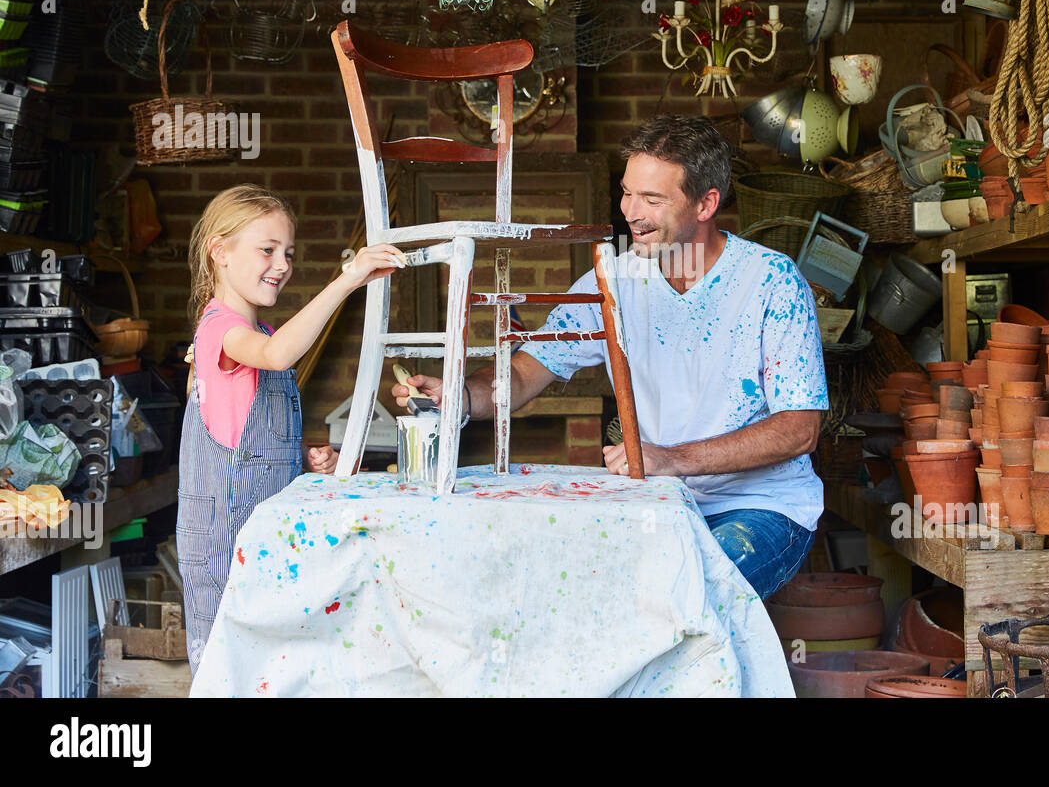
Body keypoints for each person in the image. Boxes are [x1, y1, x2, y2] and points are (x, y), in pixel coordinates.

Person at [393, 116, 827, 599]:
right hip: (662, 501)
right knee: (588, 592)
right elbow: (520, 375)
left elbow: (800, 428)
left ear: (706, 203)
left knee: (687, 595)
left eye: (653, 200)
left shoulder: (771, 281)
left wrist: (668, 459)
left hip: (761, 508)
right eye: (627, 193)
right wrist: (456, 396)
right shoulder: (613, 281)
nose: (631, 214)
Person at [179, 184, 404, 672]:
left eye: (289, 253)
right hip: (223, 539)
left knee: (267, 669)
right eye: (267, 250)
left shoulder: (257, 333)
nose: (281, 264)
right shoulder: (220, 328)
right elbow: (279, 354)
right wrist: (347, 280)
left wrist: (298, 457)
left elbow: (240, 435)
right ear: (219, 251)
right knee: (229, 670)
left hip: (261, 536)